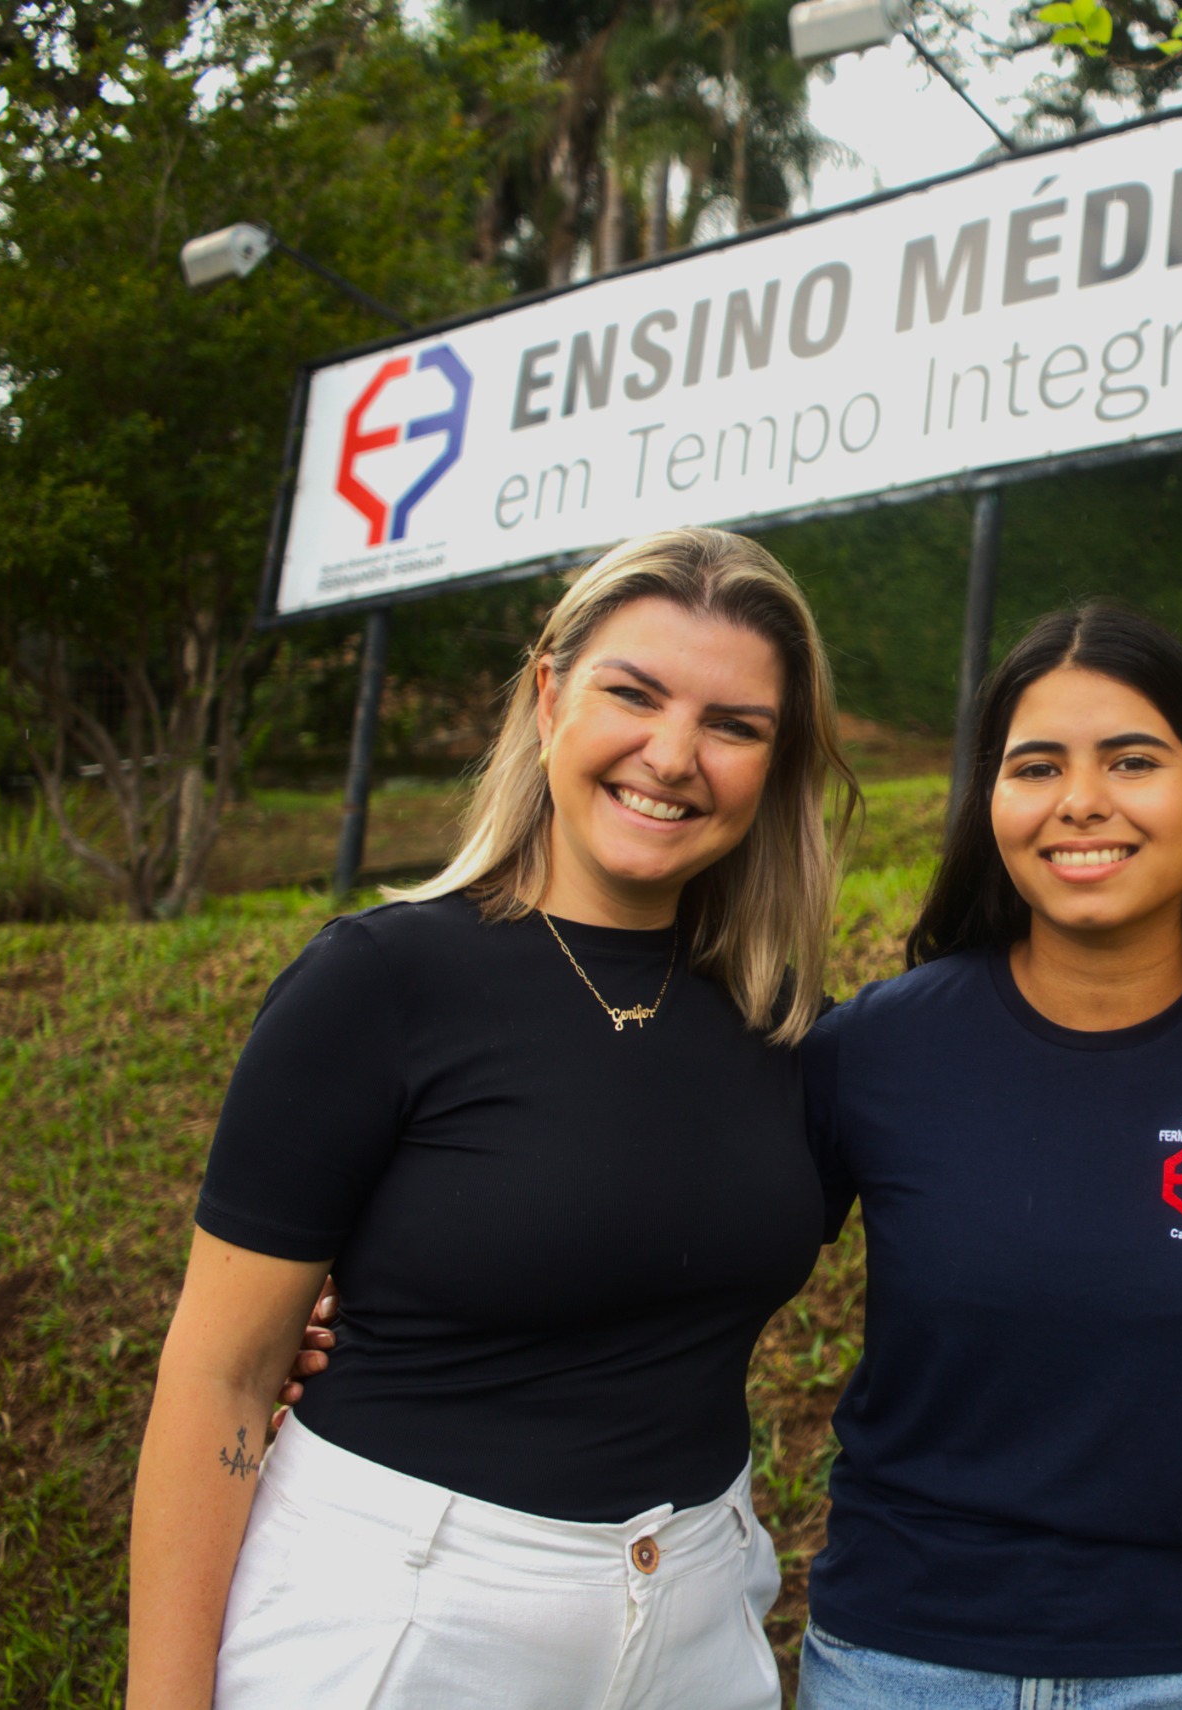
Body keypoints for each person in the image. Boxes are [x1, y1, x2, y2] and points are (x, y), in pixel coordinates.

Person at [127, 529, 852, 1710]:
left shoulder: (785, 1026)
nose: (673, 756)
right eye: (634, 693)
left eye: (734, 725)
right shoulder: (378, 980)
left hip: (698, 1620)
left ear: (777, 763)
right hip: (403, 1614)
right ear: (548, 693)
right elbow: (221, 1376)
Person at [793, 605, 1182, 1710]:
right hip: (900, 1659)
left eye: (1131, 761)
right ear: (990, 801)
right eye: (1036, 766)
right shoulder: (873, 1051)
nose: (1081, 801)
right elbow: (696, 1252)